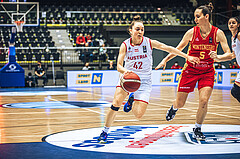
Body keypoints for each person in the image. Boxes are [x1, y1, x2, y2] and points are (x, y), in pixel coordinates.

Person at [97, 15, 200, 143]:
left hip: (144, 81)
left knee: (139, 115)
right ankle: (104, 132)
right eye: (137, 29)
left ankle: (132, 98)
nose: (140, 32)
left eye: (142, 29)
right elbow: (118, 66)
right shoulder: (125, 45)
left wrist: (187, 56)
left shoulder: (149, 42)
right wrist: (125, 71)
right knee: (116, 104)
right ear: (131, 31)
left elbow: (168, 48)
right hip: (128, 78)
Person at [155, 3, 232, 140]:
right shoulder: (191, 32)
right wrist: (165, 60)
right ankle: (174, 108)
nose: (195, 19)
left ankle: (197, 128)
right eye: (195, 17)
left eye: (198, 16)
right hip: (189, 71)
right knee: (180, 103)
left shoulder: (218, 33)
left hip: (207, 72)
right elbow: (178, 49)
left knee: (203, 100)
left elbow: (229, 54)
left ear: (206, 17)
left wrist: (219, 57)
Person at [228, 16, 240, 102]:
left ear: (238, 25)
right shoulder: (232, 38)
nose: (231, 25)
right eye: (229, 23)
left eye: (233, 23)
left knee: (235, 91)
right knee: (235, 91)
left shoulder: (239, 35)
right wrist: (217, 58)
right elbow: (233, 55)